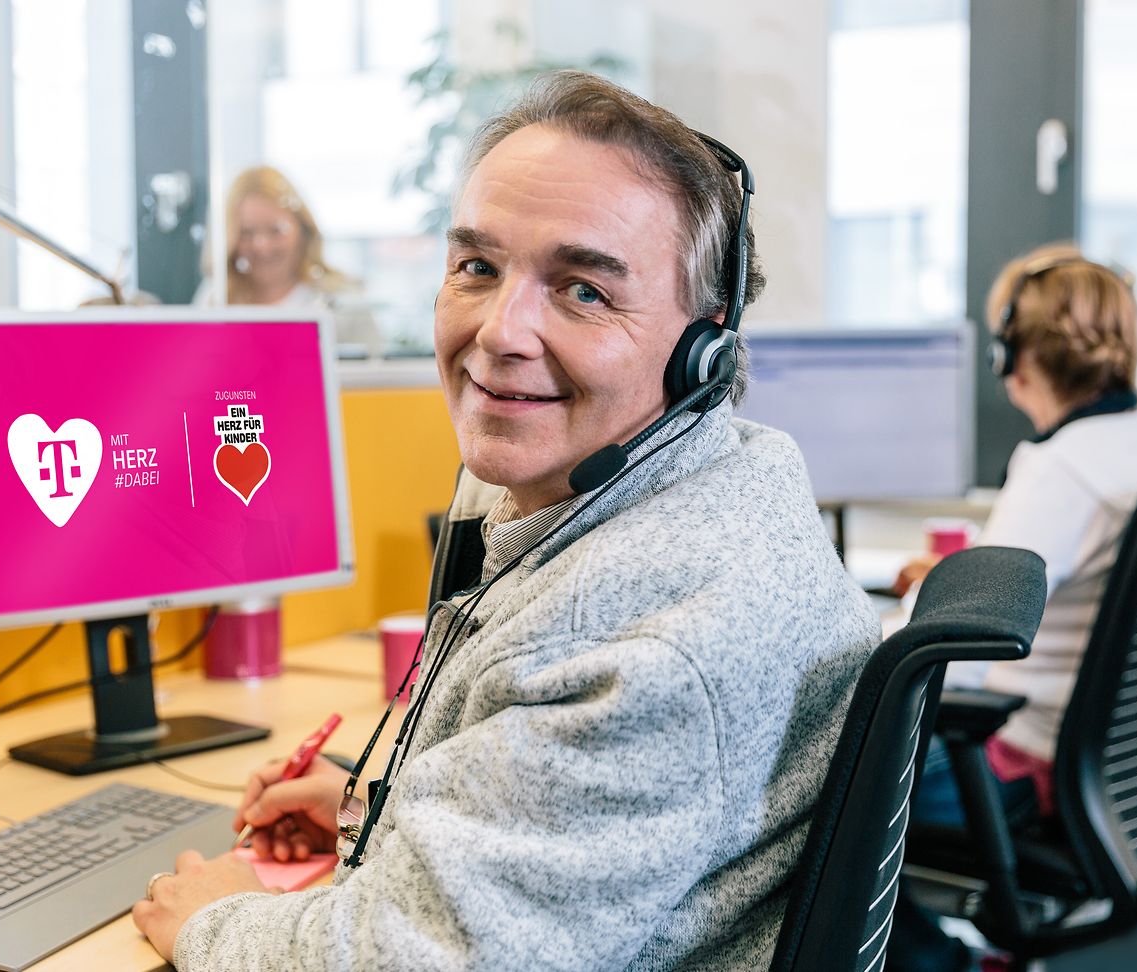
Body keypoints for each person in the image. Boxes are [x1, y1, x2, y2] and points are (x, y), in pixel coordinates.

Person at [133, 70, 880, 970]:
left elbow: (412, 962)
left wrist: (216, 919)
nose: (498, 332)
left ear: (704, 347)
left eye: (584, 290)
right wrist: (385, 815)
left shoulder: (641, 641)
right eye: (478, 269)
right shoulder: (719, 487)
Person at [887, 243, 1137, 972]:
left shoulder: (1059, 468)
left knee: (810, 794)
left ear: (1013, 356)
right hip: (1119, 770)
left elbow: (949, 645)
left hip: (1016, 769)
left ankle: (949, 966)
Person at [195, 165, 354, 308]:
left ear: (302, 229)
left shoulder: (342, 301)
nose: (262, 246)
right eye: (247, 233)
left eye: (276, 230)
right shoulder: (214, 299)